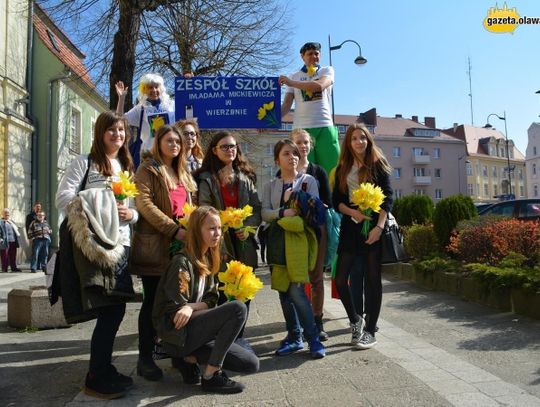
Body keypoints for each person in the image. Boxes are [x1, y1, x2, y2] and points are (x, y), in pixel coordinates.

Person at [56, 111, 139, 399]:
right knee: (110, 310)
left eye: (121, 131)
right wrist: (100, 202)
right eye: (111, 130)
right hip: (94, 246)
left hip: (121, 244)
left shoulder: (125, 165)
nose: (117, 135)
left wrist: (132, 213)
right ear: (100, 133)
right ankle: (96, 375)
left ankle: (102, 369)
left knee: (116, 309)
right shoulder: (84, 162)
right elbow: (63, 198)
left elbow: (133, 206)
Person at [153, 206, 259, 394]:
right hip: (177, 335)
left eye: (219, 228)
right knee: (238, 309)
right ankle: (211, 375)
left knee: (250, 363)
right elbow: (176, 311)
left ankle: (189, 359)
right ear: (196, 231)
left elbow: (211, 299)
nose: (217, 233)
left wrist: (191, 307)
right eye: (211, 228)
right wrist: (186, 308)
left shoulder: (208, 258)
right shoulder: (182, 262)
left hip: (195, 331)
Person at [130, 124, 197, 381]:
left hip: (183, 247)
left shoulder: (182, 171)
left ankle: (180, 357)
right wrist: (173, 230)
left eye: (177, 142)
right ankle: (145, 358)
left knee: (179, 303)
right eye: (169, 141)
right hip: (157, 247)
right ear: (158, 143)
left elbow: (191, 205)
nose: (174, 145)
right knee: (152, 306)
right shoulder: (148, 168)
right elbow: (144, 203)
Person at [261, 139, 325, 359]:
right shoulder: (271, 185)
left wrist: (296, 198)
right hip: (276, 242)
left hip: (298, 242)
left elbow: (316, 212)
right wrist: (282, 212)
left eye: (295, 154)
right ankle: (294, 336)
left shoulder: (308, 181)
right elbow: (265, 214)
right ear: (277, 159)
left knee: (297, 292)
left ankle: (313, 338)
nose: (292, 157)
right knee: (283, 292)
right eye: (287, 154)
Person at [195, 131, 261, 344]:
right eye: (224, 147)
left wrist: (248, 227)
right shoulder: (206, 179)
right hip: (218, 241)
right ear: (214, 150)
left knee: (244, 290)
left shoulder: (246, 177)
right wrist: (220, 238)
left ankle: (238, 340)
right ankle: (221, 341)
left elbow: (256, 209)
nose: (230, 150)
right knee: (222, 292)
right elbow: (204, 210)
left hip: (244, 242)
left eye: (232, 146)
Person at [332, 123, 392, 350]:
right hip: (350, 229)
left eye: (363, 138)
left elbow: (388, 198)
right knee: (340, 279)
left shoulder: (379, 164)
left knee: (373, 281)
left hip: (374, 228)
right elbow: (336, 200)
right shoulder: (342, 168)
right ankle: (356, 319)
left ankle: (369, 331)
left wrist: (379, 227)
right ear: (348, 142)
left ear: (368, 140)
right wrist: (353, 212)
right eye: (354, 138)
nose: (359, 142)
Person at [289, 128, 332, 341]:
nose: (303, 146)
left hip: (316, 229)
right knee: (296, 278)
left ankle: (317, 322)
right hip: (295, 231)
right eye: (298, 142)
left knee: (316, 277)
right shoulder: (285, 172)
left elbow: (329, 203)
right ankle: (298, 325)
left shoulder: (319, 171)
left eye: (306, 142)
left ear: (311, 145)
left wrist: (312, 204)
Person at [279, 41, 339, 175]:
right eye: (310, 54)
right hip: (301, 129)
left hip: (324, 126)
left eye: (316, 53)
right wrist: (269, 121)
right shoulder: (293, 75)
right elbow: (287, 105)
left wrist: (291, 83)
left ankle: (332, 196)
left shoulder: (326, 70)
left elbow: (320, 86)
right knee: (304, 171)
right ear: (302, 56)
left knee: (333, 170)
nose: (314, 56)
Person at [115, 74, 175, 166]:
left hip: (169, 154)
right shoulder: (141, 108)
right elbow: (120, 119)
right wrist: (121, 98)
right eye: (150, 87)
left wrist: (188, 81)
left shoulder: (171, 106)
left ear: (161, 88)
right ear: (144, 90)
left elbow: (188, 114)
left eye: (156, 87)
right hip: (149, 156)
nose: (154, 90)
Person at [0, 208, 22, 273]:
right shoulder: (1, 222)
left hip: (13, 241)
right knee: (5, 256)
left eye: (8, 213)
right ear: (2, 214)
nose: (7, 214)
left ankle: (14, 268)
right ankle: (4, 268)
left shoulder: (11, 222)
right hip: (4, 242)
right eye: (5, 213)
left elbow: (15, 230)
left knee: (13, 255)